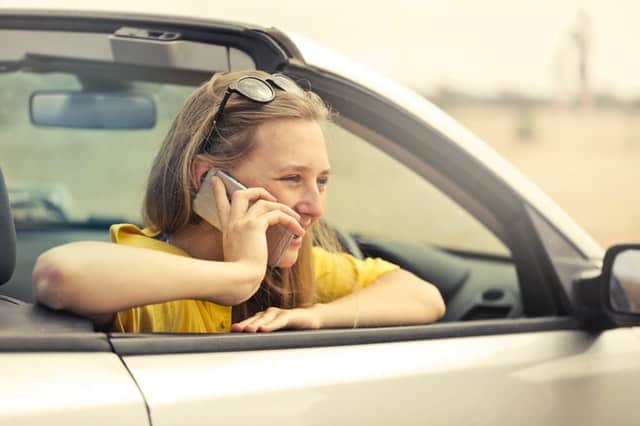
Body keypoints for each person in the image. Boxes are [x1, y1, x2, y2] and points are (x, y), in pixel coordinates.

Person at [32, 70, 445, 333]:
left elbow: (424, 297)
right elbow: (60, 276)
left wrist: (318, 315)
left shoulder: (289, 269)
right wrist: (239, 275)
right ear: (207, 178)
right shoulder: (145, 266)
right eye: (291, 178)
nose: (315, 206)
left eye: (321, 180)